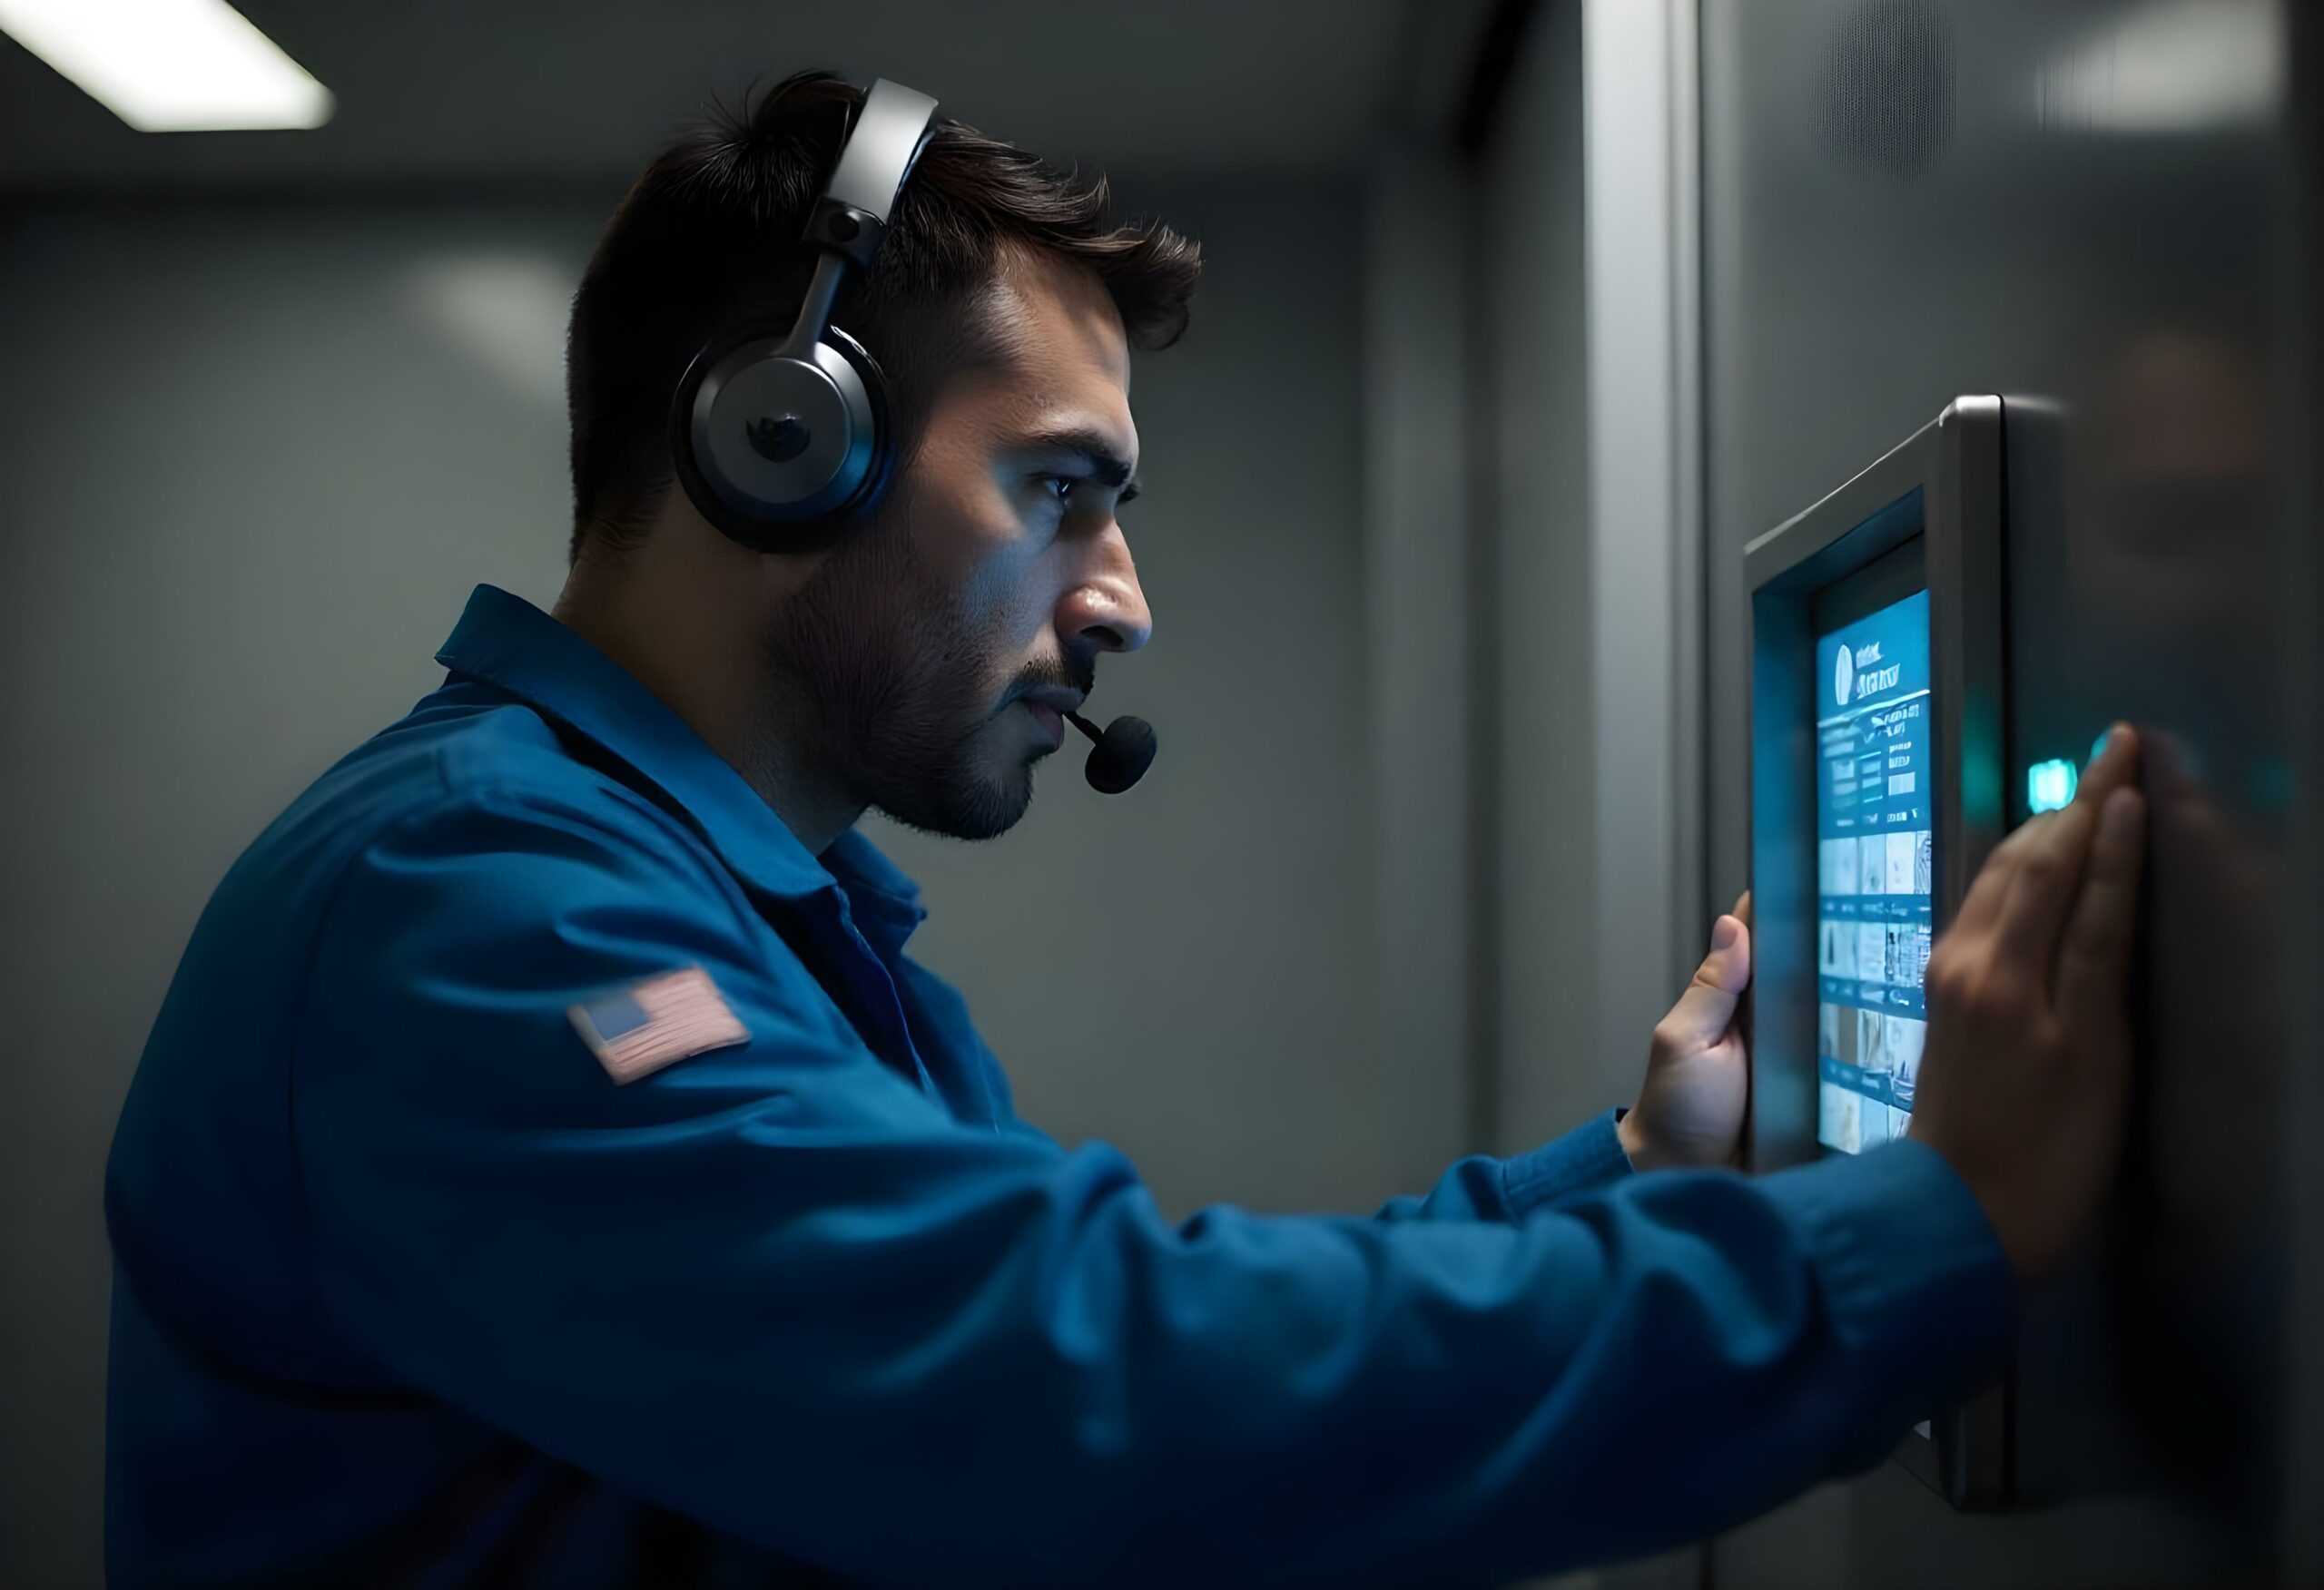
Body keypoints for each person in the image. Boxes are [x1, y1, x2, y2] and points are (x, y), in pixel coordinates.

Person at [103, 72, 2149, 1588]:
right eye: (1060, 492)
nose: (1121, 600)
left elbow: (1116, 1325)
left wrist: (1625, 1180)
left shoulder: (765, 922)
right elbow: (1101, 1392)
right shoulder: (472, 920)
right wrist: (1928, 1233)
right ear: (777, 448)